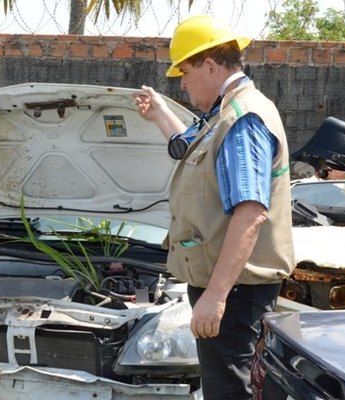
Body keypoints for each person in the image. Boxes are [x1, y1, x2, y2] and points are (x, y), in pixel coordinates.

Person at [135, 15, 295, 399]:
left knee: (231, 389)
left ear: (210, 65)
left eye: (185, 71)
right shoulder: (224, 113)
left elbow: (251, 211)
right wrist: (159, 114)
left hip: (237, 290)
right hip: (230, 286)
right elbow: (187, 148)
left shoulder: (242, 119)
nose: (181, 82)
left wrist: (216, 296)